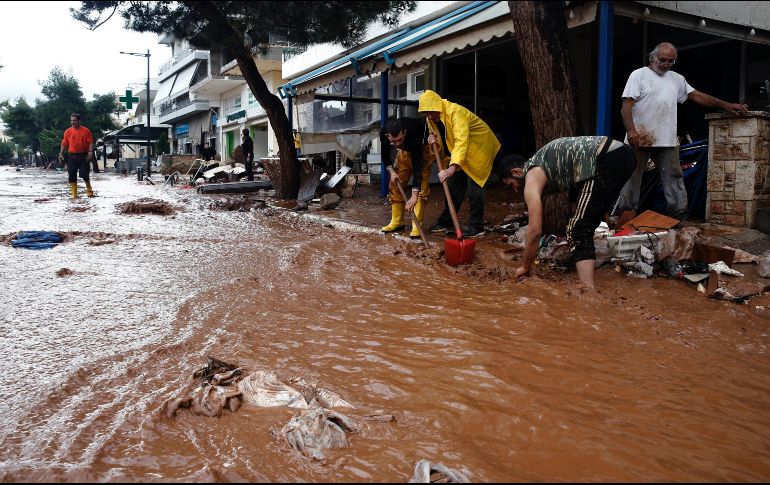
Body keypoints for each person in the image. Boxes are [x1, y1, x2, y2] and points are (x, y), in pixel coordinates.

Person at [616, 42, 749, 223]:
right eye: (662, 60)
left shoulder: (676, 78)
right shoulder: (639, 75)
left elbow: (696, 95)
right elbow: (626, 105)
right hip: (639, 137)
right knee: (632, 178)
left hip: (667, 139)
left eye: (671, 61)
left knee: (674, 178)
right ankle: (625, 219)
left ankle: (678, 219)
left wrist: (726, 105)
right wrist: (631, 130)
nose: (666, 64)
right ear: (652, 57)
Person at [498, 136, 636, 290]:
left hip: (607, 158)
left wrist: (525, 266)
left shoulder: (531, 176)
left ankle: (587, 291)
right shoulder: (546, 164)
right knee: (585, 222)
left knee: (577, 228)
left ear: (516, 171)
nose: (515, 190)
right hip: (623, 154)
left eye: (511, 184)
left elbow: (535, 231)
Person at [418, 90, 500, 238]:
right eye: (426, 113)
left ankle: (476, 225)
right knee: (454, 185)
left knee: (475, 186)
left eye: (430, 112)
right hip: (460, 152)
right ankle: (446, 221)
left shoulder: (456, 113)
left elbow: (462, 140)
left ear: (437, 106)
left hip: (479, 148)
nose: (429, 116)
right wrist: (433, 140)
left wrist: (452, 167)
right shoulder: (432, 117)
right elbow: (438, 137)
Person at [379, 117, 445, 238]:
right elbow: (384, 154)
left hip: (421, 151)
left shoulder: (414, 131)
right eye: (394, 141)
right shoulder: (384, 133)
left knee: (421, 189)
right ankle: (397, 221)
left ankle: (416, 225)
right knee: (394, 184)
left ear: (404, 132)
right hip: (404, 152)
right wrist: (391, 171)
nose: (397, 143)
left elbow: (417, 165)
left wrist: (414, 195)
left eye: (400, 139)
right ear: (388, 136)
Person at [58, 113, 95, 198]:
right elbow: (64, 143)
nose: (72, 122)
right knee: (71, 175)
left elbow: (90, 142)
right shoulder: (68, 131)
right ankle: (74, 194)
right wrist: (60, 154)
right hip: (71, 156)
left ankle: (89, 190)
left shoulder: (86, 131)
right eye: (71, 120)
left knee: (84, 174)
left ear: (79, 121)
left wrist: (90, 152)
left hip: (83, 156)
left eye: (74, 120)